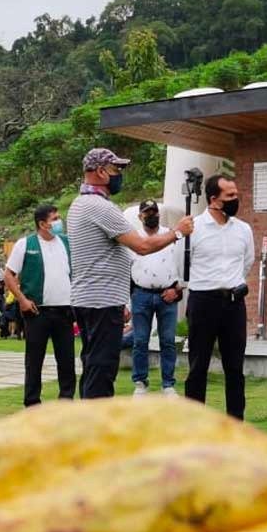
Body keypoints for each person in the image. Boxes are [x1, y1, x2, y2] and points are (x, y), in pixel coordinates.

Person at [67, 148, 193, 399]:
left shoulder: (79, 204)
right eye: (116, 170)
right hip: (101, 302)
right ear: (101, 172)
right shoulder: (100, 207)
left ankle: (88, 428)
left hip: (90, 299)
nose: (120, 175)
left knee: (93, 366)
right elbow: (142, 246)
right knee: (102, 369)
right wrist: (177, 232)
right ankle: (98, 432)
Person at [185, 175, 254, 418]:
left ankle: (236, 423)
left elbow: (247, 262)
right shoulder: (193, 228)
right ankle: (195, 423)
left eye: (236, 194)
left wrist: (231, 282)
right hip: (203, 301)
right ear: (214, 200)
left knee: (235, 368)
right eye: (230, 196)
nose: (236, 200)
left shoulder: (243, 229)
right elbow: (181, 264)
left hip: (234, 303)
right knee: (198, 366)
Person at [5, 204, 76, 407]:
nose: (58, 222)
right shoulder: (26, 244)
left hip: (64, 310)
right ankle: (32, 402)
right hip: (37, 311)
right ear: (42, 224)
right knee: (34, 360)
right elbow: (9, 275)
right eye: (55, 219)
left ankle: (66, 400)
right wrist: (22, 299)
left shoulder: (67, 242)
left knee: (67, 359)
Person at [130, 200, 183, 397]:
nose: (151, 215)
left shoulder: (171, 235)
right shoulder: (134, 238)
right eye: (147, 212)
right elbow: (127, 268)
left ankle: (168, 384)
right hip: (141, 293)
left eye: (154, 211)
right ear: (140, 216)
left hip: (167, 294)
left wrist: (177, 289)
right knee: (140, 340)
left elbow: (183, 263)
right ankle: (140, 383)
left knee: (168, 340)